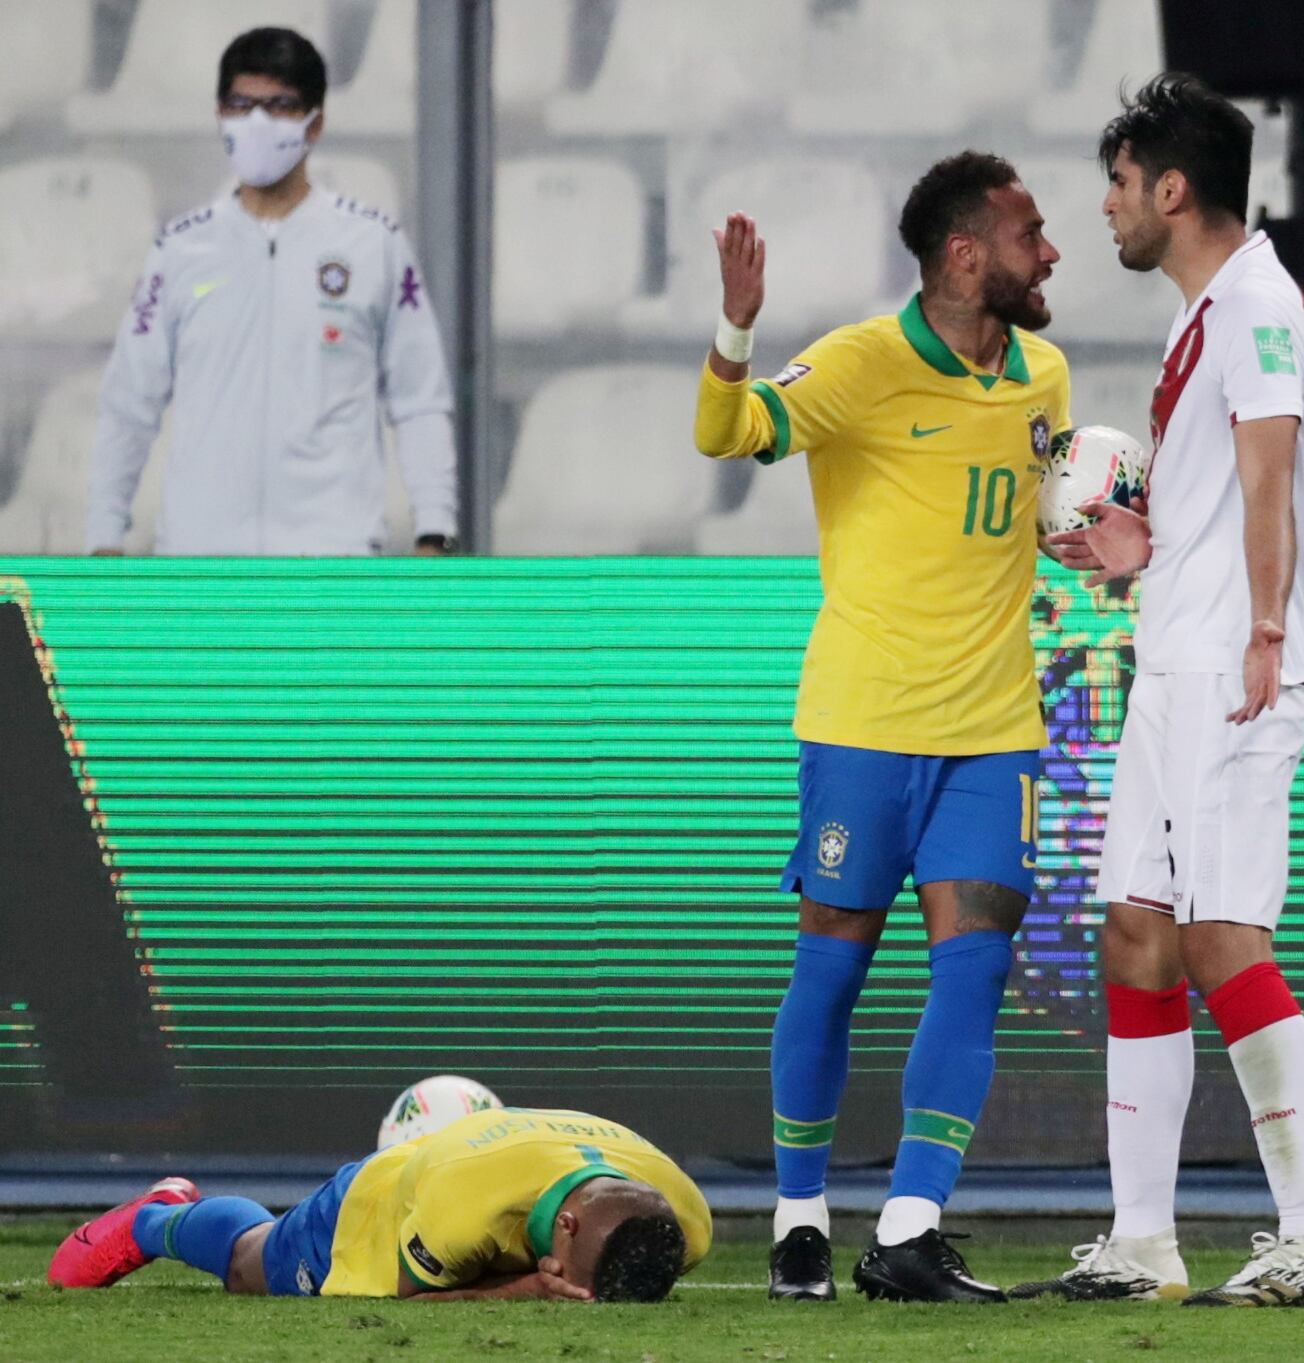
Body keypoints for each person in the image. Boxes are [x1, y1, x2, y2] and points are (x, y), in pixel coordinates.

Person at [692, 151, 1068, 1304]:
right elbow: (724, 433)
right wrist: (736, 329)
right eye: (1027, 235)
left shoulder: (1043, 373)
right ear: (964, 255)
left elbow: (1046, 518)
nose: (1048, 252)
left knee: (974, 967)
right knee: (832, 971)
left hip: (993, 726)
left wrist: (1099, 531)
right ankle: (799, 1216)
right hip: (861, 722)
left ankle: (908, 1227)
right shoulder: (857, 363)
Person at [1018, 74, 1304, 1308]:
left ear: (1170, 189)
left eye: (1116, 183)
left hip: (1232, 663)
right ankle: (1143, 1239)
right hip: (1178, 655)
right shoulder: (1200, 311)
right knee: (1137, 931)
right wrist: (1135, 549)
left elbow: (1270, 471)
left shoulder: (1259, 302)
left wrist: (1266, 627)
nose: (1105, 208)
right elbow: (1216, 498)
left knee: (1222, 936)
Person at [86, 27, 459, 557]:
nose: (258, 122)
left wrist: (436, 528)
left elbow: (420, 399)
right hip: (200, 566)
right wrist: (104, 535)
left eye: (281, 106)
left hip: (334, 564)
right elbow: (129, 403)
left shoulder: (374, 244)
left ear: (316, 123)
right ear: (220, 114)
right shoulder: (178, 250)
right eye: (242, 104)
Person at [47, 1106, 711, 1301]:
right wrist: (518, 1291)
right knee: (252, 1265)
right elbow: (406, 1298)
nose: (569, 1284)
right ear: (565, 1223)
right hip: (381, 1199)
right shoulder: (462, 1205)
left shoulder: (688, 1221)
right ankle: (156, 1215)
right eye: (570, 1271)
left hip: (492, 1170)